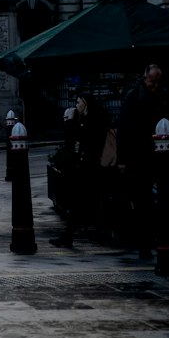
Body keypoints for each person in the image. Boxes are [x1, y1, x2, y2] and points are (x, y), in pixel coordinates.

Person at [116, 63, 169, 260]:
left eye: (158, 82)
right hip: (139, 154)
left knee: (166, 198)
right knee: (143, 202)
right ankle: (144, 244)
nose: (155, 86)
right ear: (145, 79)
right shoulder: (133, 96)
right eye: (152, 82)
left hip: (162, 155)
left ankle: (166, 242)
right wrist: (123, 159)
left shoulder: (165, 95)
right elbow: (123, 128)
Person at [49, 91, 109, 249]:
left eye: (78, 103)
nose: (76, 106)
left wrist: (69, 122)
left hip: (91, 167)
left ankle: (71, 236)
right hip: (90, 166)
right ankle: (70, 236)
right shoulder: (89, 118)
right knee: (84, 202)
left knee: (80, 202)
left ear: (85, 104)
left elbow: (78, 139)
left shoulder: (92, 120)